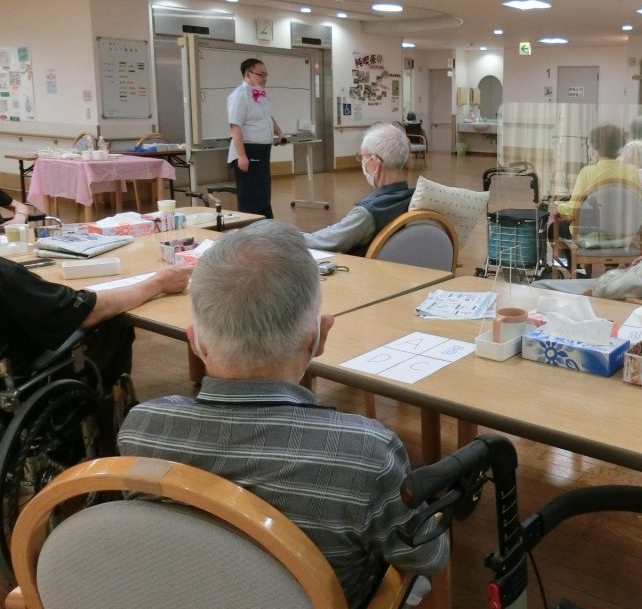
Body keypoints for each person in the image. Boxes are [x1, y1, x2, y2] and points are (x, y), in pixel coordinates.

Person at [118, 221, 449, 609]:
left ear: (195, 342)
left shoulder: (141, 429)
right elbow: (426, 558)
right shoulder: (367, 453)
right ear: (318, 337)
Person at [0, 258, 191, 384]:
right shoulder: (5, 275)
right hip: (20, 372)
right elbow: (87, 311)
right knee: (113, 321)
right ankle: (111, 410)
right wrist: (158, 283)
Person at [304, 123, 413, 255]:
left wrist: (289, 236)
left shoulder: (369, 212)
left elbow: (323, 242)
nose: (362, 163)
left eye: (362, 157)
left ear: (375, 162)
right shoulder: (414, 199)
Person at [555, 124, 640, 238]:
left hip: (593, 236)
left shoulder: (587, 173)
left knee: (554, 229)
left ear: (595, 149)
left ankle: (573, 251)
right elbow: (637, 206)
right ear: (619, 146)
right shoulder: (632, 172)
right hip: (623, 235)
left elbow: (573, 208)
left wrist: (558, 206)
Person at [227, 58, 287, 218]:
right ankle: (251, 226)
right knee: (250, 194)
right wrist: (241, 156)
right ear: (248, 74)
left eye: (266, 74)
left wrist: (279, 132)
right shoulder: (239, 96)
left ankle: (266, 224)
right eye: (261, 74)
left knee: (263, 190)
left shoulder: (260, 94)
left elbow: (267, 117)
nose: (265, 78)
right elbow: (235, 126)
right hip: (248, 149)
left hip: (262, 150)